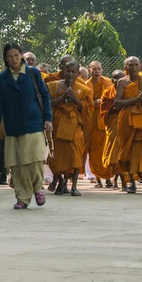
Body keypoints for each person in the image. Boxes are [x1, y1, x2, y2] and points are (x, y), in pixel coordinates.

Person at [0, 43, 53, 209]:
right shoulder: (3, 78)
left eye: (16, 55)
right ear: (5, 58)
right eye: (10, 56)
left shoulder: (33, 73)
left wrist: (48, 118)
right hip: (13, 126)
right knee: (17, 164)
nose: (14, 59)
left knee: (36, 160)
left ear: (21, 56)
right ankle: (22, 198)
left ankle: (37, 188)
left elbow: (45, 96)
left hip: (34, 123)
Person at [115, 56, 142, 195]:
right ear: (126, 68)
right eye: (130, 65)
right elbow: (117, 102)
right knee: (128, 151)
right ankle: (132, 184)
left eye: (136, 65)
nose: (133, 67)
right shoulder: (122, 82)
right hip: (128, 121)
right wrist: (134, 100)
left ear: (140, 67)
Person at [47, 61, 93, 196]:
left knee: (75, 154)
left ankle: (73, 186)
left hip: (75, 126)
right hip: (58, 124)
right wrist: (62, 97)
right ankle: (60, 181)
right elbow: (47, 103)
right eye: (68, 71)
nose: (70, 74)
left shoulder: (83, 89)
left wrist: (76, 99)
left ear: (78, 73)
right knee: (57, 155)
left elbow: (88, 109)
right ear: (63, 71)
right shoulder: (53, 86)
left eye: (73, 72)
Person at [84, 61, 114, 188]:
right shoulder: (85, 85)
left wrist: (103, 103)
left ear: (102, 70)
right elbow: (82, 103)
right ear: (89, 70)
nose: (96, 71)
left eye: (98, 69)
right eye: (93, 69)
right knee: (93, 151)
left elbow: (114, 99)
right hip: (90, 121)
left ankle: (108, 178)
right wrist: (93, 103)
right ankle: (97, 179)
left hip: (105, 120)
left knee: (106, 149)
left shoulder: (108, 83)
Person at [101, 70, 128, 190]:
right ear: (112, 80)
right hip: (114, 126)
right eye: (116, 78)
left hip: (127, 125)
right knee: (114, 154)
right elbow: (104, 111)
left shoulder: (129, 90)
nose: (120, 81)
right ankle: (119, 180)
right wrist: (117, 107)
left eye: (122, 78)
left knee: (124, 152)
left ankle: (124, 180)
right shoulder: (107, 93)